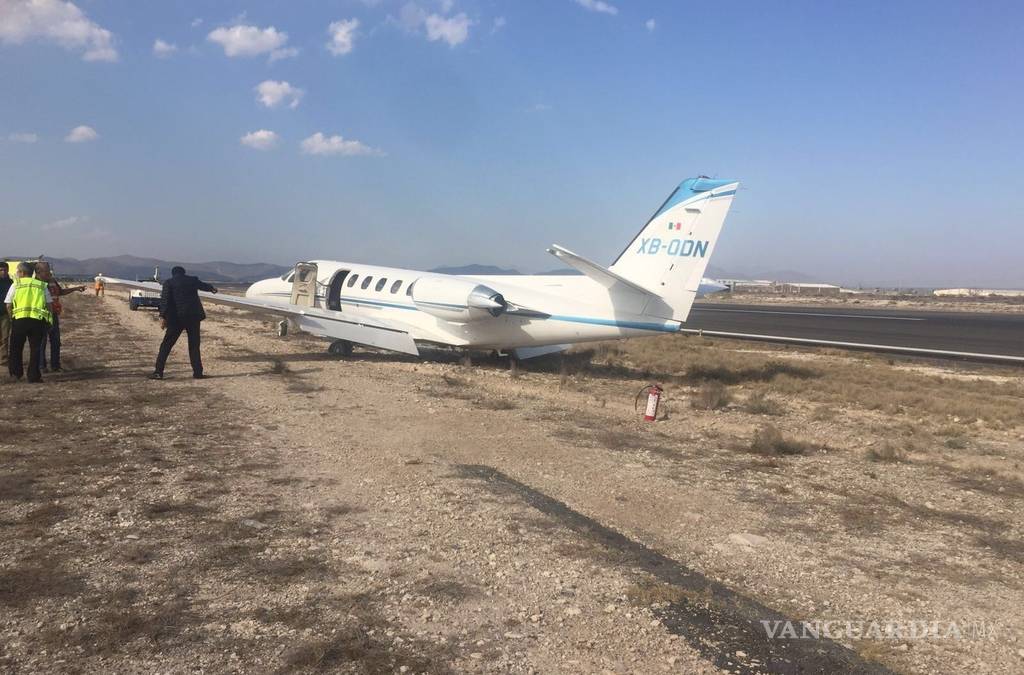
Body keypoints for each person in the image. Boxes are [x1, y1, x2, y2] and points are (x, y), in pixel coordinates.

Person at [150, 266, 217, 380]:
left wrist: (162, 316)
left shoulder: (169, 283)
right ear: (184, 273)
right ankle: (198, 373)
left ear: (173, 274)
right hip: (193, 317)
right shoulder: (192, 280)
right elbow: (203, 286)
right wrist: (212, 289)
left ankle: (158, 372)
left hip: (176, 318)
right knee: (194, 346)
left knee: (166, 345)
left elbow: (165, 301)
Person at [5, 262, 53, 383]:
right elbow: (49, 304)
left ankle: (16, 374)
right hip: (37, 321)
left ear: (22, 272)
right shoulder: (41, 285)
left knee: (16, 348)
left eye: (17, 271)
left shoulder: (16, 284)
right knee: (35, 349)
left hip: (19, 321)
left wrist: (12, 318)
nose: (16, 273)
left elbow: (8, 304)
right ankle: (33, 376)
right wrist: (49, 319)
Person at [35, 262, 85, 373]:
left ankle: (55, 366)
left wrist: (75, 288)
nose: (49, 272)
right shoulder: (35, 283)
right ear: (38, 272)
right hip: (40, 316)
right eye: (47, 270)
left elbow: (60, 292)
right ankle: (41, 366)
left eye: (49, 270)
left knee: (56, 341)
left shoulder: (52, 281)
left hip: (53, 315)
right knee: (41, 342)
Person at [0, 262, 12, 368]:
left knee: (4, 337)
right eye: (0, 270)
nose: (3, 272)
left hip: (5, 314)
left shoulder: (11, 283)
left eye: (4, 270)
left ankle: (3, 359)